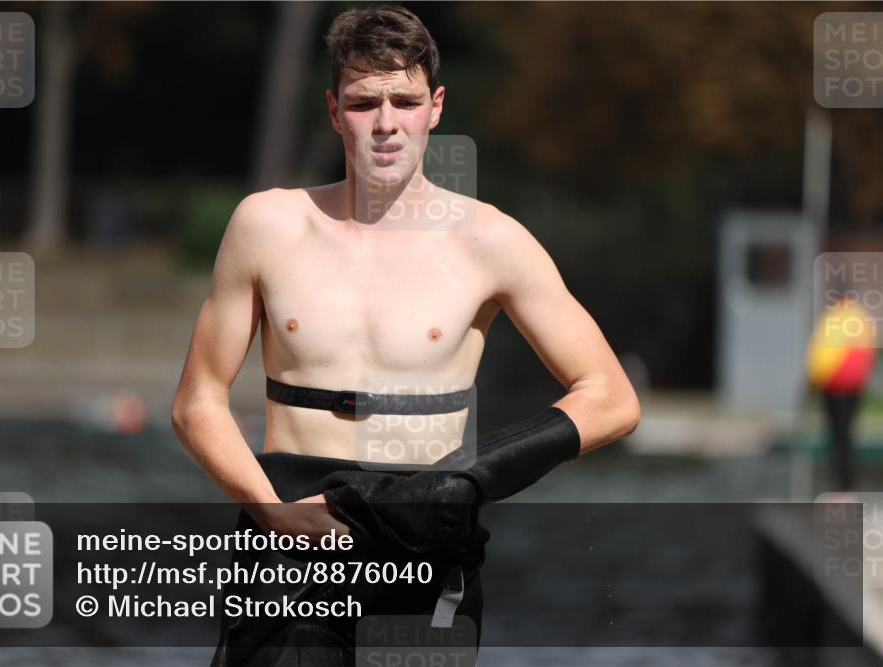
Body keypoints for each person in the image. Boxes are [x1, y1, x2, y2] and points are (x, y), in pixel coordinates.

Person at [171, 5, 640, 665]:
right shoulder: (268, 225)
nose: (386, 122)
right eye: (364, 103)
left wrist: (470, 478)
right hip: (289, 538)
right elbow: (197, 400)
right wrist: (271, 509)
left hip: (427, 547)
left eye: (405, 100)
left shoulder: (490, 240)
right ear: (334, 110)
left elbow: (611, 396)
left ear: (436, 107)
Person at [806, 293, 879, 492]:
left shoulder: (835, 318)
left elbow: (823, 356)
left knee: (837, 436)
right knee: (848, 434)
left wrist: (812, 380)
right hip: (855, 388)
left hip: (835, 387)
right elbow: (870, 352)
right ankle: (848, 486)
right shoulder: (862, 318)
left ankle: (842, 488)